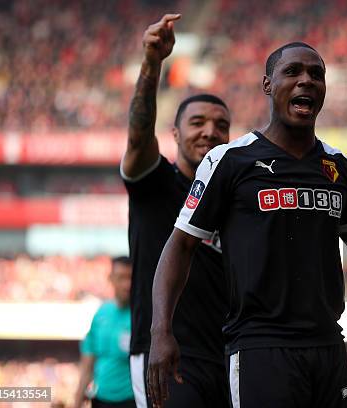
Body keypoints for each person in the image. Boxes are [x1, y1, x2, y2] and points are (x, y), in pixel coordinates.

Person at [148, 42, 347, 407]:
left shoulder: (340, 168)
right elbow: (180, 246)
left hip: (328, 348)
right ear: (267, 85)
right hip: (261, 347)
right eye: (292, 72)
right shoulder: (230, 161)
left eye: (316, 74)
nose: (306, 80)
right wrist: (160, 330)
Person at [121, 14, 231, 408]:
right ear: (175, 134)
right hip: (165, 354)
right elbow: (137, 135)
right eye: (197, 122)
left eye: (221, 126)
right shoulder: (155, 183)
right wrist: (153, 62)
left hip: (227, 356)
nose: (209, 132)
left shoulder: (228, 200)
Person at [74, 256, 135, 408]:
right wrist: (77, 400)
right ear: (111, 279)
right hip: (100, 399)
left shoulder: (141, 317)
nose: (127, 284)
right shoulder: (102, 313)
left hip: (131, 400)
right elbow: (88, 364)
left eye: (130, 278)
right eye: (121, 278)